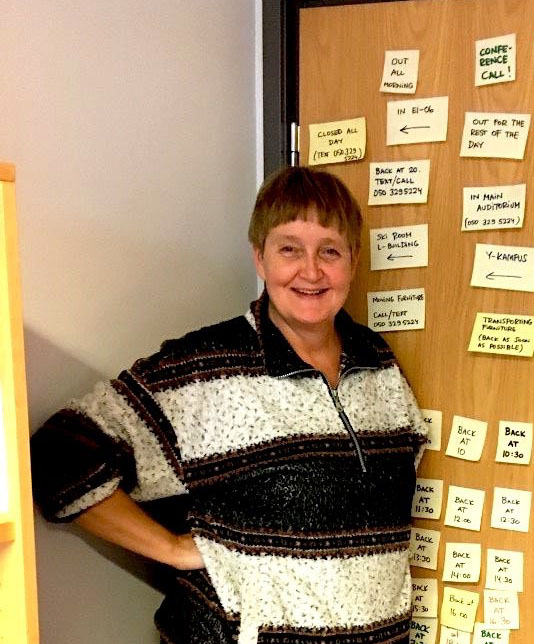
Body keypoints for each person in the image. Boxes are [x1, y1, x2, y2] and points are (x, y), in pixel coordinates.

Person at [30, 166, 428, 644]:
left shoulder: (379, 364)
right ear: (259, 258)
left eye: (330, 251)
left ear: (354, 260)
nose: (312, 271)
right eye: (289, 249)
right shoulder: (204, 368)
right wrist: (173, 549)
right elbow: (57, 458)